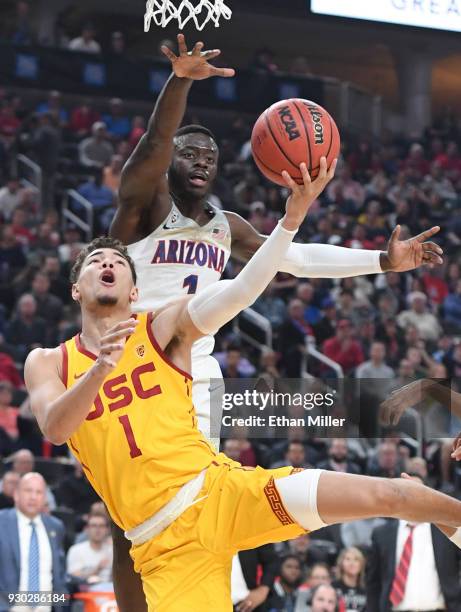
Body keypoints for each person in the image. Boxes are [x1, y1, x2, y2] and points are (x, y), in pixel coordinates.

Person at [25, 185, 461, 611]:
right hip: (165, 548)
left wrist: (290, 221)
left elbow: (241, 290)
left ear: (135, 292)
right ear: (76, 289)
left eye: (118, 261)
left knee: (393, 496)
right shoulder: (48, 362)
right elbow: (56, 429)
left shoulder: (161, 328)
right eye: (96, 260)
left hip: (224, 493)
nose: (108, 263)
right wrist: (101, 366)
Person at [367, 475, 461, 612]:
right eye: (407, 490)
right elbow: (373, 582)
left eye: (418, 491)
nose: (413, 496)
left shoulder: (446, 530)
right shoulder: (382, 534)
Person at [0, 473, 67, 612]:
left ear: (44, 498)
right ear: (16, 495)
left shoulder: (56, 527)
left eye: (39, 492)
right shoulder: (2, 522)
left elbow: (59, 572)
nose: (33, 497)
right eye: (28, 491)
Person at [67, 512, 113, 588]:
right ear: (87, 529)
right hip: (85, 593)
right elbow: (73, 577)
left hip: (111, 593)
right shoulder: (76, 550)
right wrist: (97, 569)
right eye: (94, 526)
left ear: (107, 530)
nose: (98, 530)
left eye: (101, 526)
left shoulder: (112, 550)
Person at [332, 547, 366, 612]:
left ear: (361, 564)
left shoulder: (367, 589)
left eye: (356, 560)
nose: (352, 563)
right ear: (341, 564)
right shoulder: (333, 587)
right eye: (348, 559)